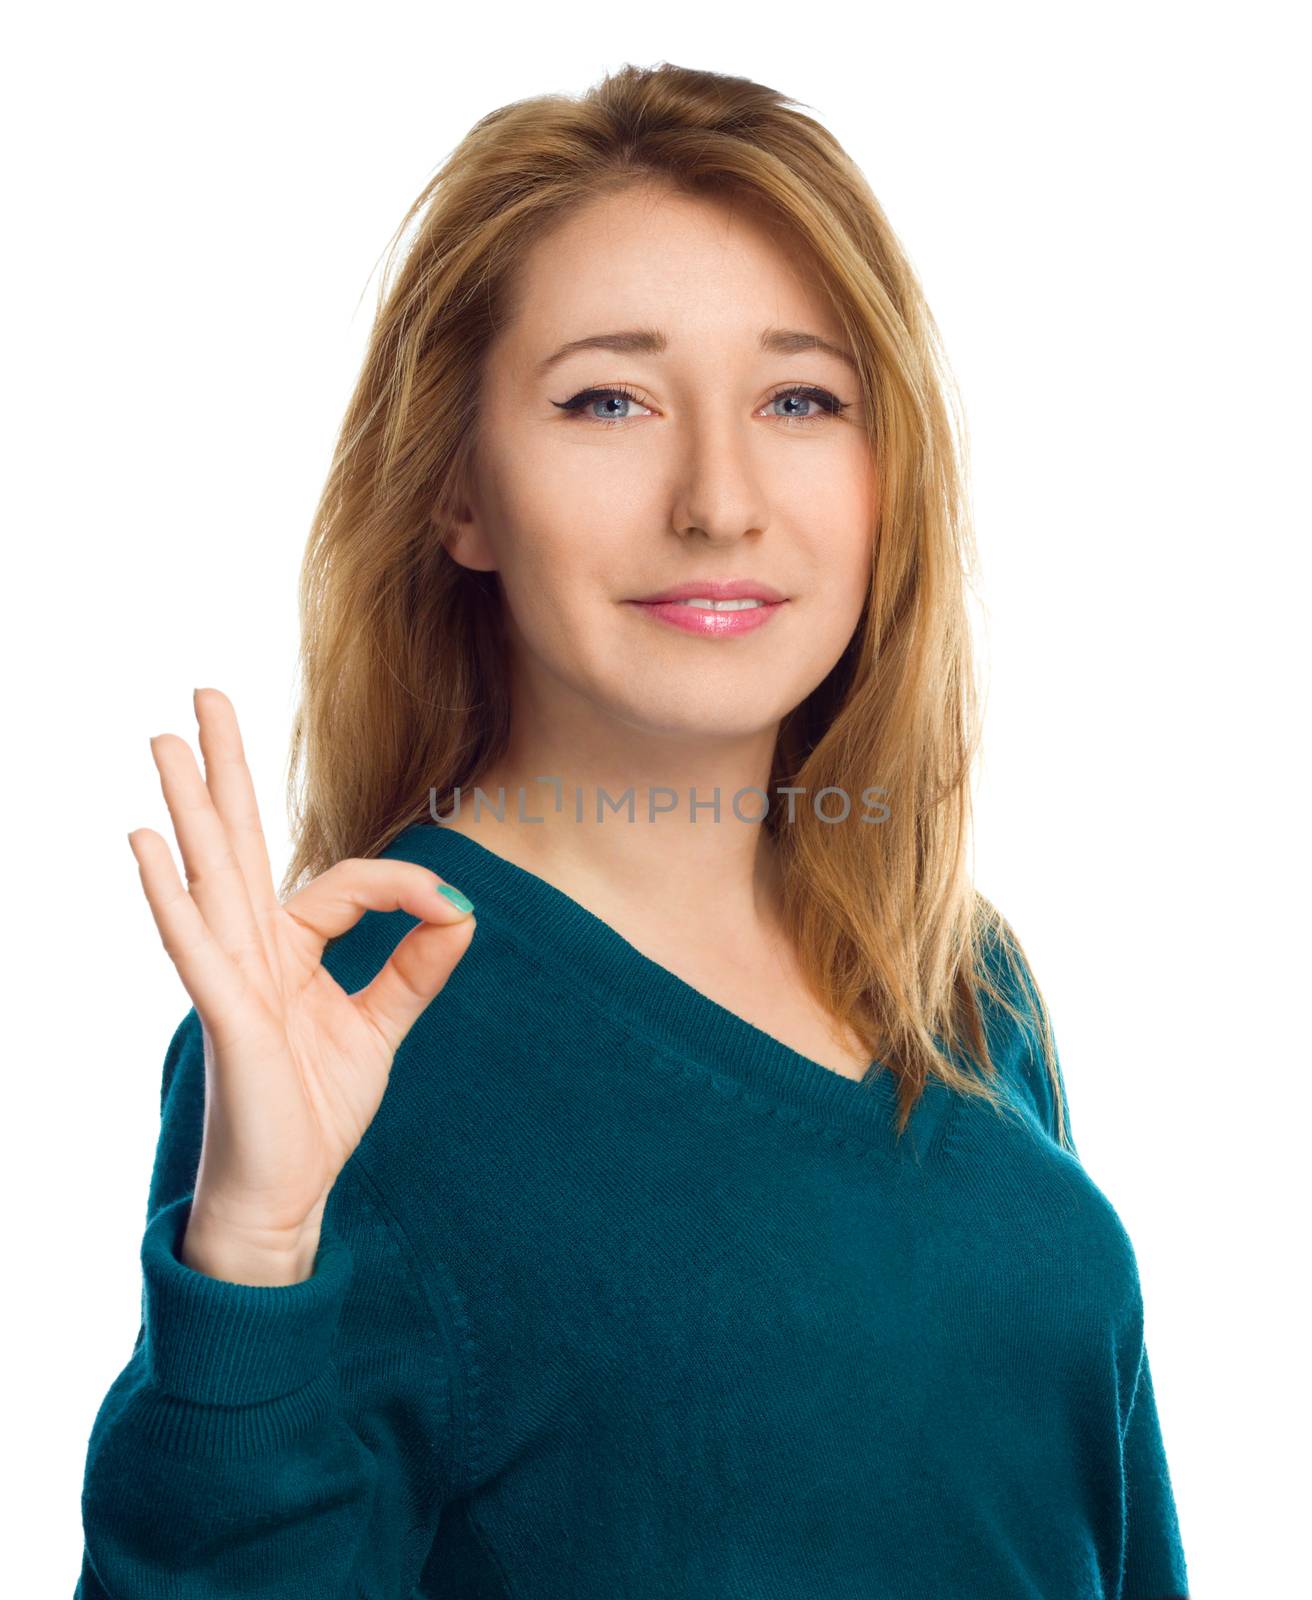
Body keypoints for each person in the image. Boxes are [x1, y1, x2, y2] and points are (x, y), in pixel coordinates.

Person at [74, 61, 1190, 1599]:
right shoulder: (339, 1043)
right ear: (459, 492)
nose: (719, 499)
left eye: (801, 398)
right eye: (610, 399)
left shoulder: (952, 967)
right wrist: (252, 1253)